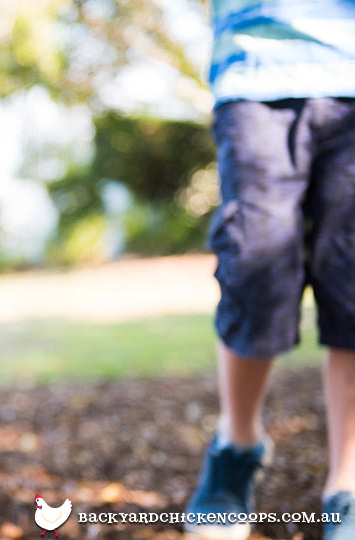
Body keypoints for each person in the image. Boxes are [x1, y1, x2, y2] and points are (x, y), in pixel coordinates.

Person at [184, 0, 355, 539]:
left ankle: (345, 486)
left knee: (352, 283)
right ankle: (237, 445)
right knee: (254, 264)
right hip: (255, 68)